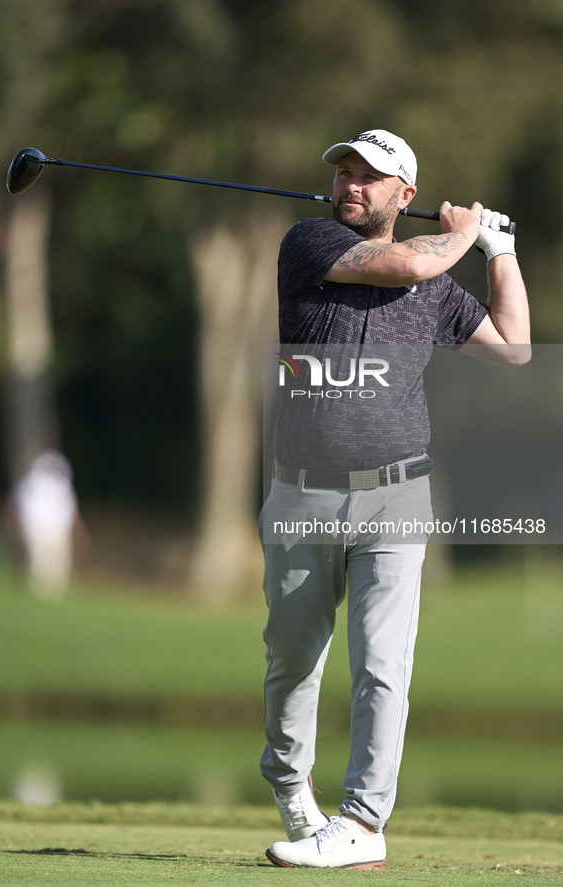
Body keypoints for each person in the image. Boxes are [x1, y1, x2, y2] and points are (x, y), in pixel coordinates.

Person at [260, 129, 530, 870]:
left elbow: (514, 345)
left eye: (369, 176)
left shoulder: (438, 292)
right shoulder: (310, 245)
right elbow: (406, 260)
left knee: (383, 663)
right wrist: (465, 232)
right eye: (343, 171)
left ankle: (361, 821)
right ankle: (290, 786)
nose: (350, 183)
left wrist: (497, 250)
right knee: (292, 658)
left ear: (402, 195)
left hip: (395, 494)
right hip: (301, 494)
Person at [7, 449, 87, 599]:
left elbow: (70, 512)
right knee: (39, 573)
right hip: (36, 532)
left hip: (57, 535)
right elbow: (16, 506)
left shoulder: (62, 488)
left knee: (58, 576)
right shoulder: (30, 484)